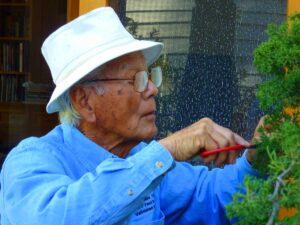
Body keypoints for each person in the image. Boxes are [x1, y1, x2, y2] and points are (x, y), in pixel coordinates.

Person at [0, 7, 260, 225]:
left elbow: (213, 196)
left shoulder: (138, 158)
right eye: (136, 79)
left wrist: (257, 163)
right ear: (85, 101)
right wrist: (167, 150)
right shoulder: (31, 159)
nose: (153, 89)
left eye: (150, 76)